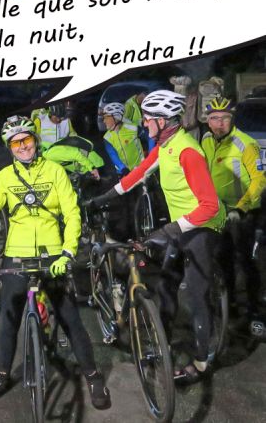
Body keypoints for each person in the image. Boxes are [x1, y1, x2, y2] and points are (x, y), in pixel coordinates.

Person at [0, 115, 111, 409]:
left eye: (27, 140)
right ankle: (1, 375)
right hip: (16, 255)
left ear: (35, 140)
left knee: (71, 319)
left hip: (53, 253)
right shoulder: (5, 177)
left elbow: (72, 213)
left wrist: (68, 252)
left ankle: (93, 376)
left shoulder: (55, 171)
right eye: (16, 143)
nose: (23, 146)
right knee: (8, 321)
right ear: (10, 147)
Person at [89, 90, 226, 384]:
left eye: (148, 119)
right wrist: (101, 199)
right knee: (165, 287)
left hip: (203, 226)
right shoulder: (165, 146)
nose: (144, 124)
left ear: (162, 121)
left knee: (196, 295)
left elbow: (209, 206)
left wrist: (167, 231)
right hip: (182, 225)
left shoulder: (187, 151)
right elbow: (138, 173)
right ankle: (161, 345)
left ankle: (201, 363)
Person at [201, 96, 266, 318]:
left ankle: (254, 308)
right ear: (208, 121)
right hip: (218, 210)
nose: (219, 123)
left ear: (232, 119)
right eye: (214, 118)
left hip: (244, 211)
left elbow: (259, 180)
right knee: (222, 258)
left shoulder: (246, 144)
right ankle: (230, 306)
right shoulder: (206, 141)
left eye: (225, 118)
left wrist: (241, 208)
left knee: (245, 259)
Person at [102, 102, 144, 177]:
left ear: (116, 117)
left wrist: (149, 155)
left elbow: (150, 139)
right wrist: (123, 168)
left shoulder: (133, 128)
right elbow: (112, 154)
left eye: (106, 117)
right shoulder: (107, 137)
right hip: (123, 173)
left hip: (141, 168)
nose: (104, 121)